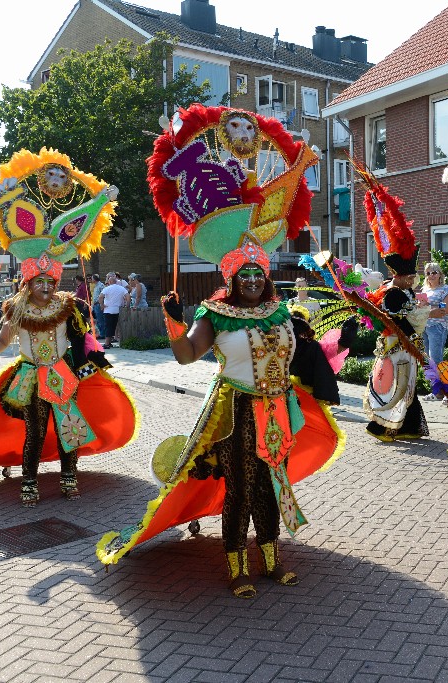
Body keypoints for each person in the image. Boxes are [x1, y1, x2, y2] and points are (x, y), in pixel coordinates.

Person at [98, 104, 340, 597]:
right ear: (231, 279)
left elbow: (294, 356)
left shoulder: (278, 313)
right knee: (242, 487)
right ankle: (236, 568)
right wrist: (172, 320)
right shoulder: (215, 313)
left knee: (272, 486)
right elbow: (187, 357)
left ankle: (270, 560)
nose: (253, 280)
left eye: (259, 273)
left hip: (277, 411)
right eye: (244, 274)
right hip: (234, 412)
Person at [0, 147, 134, 506]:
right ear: (28, 284)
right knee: (34, 430)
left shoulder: (68, 305)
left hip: (62, 375)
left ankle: (68, 476)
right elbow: (2, 342)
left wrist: (94, 360)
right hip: (30, 377)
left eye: (50, 281)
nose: (45, 287)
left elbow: (82, 339)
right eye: (39, 282)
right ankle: (29, 481)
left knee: (68, 429)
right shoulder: (15, 308)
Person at [351, 162, 430, 442]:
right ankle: (383, 426)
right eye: (411, 276)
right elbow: (395, 321)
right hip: (397, 345)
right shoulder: (392, 292)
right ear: (401, 275)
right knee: (396, 384)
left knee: (407, 386)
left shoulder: (402, 291)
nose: (414, 279)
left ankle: (408, 426)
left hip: (404, 345)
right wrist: (413, 333)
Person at [418, 263, 448, 368]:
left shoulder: (445, 290)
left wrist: (429, 307)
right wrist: (420, 305)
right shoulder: (424, 290)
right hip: (424, 326)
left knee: (435, 359)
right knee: (425, 359)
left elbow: (446, 310)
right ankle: (429, 382)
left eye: (434, 272)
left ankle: (437, 383)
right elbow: (420, 308)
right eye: (428, 273)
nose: (431, 275)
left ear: (440, 275)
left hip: (437, 327)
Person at [98, 272, 128, 348]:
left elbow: (100, 297)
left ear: (110, 282)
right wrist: (126, 305)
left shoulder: (107, 288)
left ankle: (107, 343)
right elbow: (128, 297)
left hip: (108, 310)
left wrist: (102, 305)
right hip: (117, 310)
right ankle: (110, 342)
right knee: (114, 326)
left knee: (108, 326)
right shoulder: (121, 288)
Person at [90, 273, 105, 338]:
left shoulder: (101, 285)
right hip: (95, 305)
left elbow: (103, 295)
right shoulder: (96, 286)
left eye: (92, 278)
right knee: (98, 320)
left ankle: (103, 334)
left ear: (95, 279)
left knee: (100, 319)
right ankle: (101, 333)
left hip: (99, 304)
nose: (91, 279)